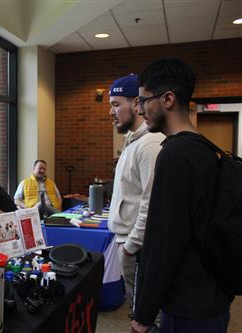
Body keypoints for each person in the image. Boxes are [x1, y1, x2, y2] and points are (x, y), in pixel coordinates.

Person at [131, 58, 233, 333]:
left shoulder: (175, 155)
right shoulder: (207, 149)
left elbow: (164, 242)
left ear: (167, 99)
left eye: (143, 100)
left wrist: (142, 316)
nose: (140, 110)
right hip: (213, 293)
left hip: (188, 305)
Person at [107, 74, 164, 304]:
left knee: (146, 312)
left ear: (137, 104)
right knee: (138, 307)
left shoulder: (150, 144)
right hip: (128, 243)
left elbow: (151, 204)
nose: (111, 112)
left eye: (116, 104)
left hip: (137, 248)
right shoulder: (132, 141)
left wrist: (130, 247)